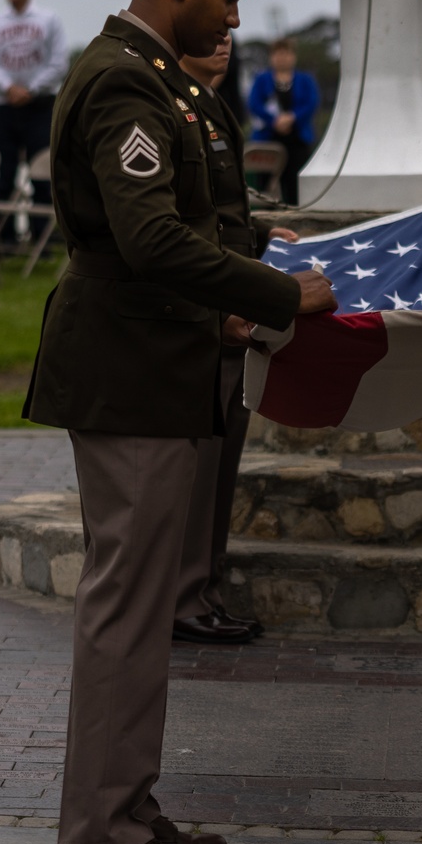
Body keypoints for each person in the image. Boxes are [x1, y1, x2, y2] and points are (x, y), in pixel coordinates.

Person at [24, 0, 337, 844]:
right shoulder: (124, 83)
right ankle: (100, 830)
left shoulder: (160, 81)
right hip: (128, 370)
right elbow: (152, 239)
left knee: (146, 599)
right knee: (126, 603)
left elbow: (199, 222)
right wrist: (276, 292)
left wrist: (268, 256)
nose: (235, 16)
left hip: (158, 362)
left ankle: (126, 802)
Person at [172, 33, 300, 647]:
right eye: (214, 27)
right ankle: (184, 595)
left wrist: (263, 227)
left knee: (220, 471)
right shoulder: (172, 104)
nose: (224, 38)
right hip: (203, 317)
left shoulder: (214, 105)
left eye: (230, 35)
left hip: (231, 313)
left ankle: (204, 589)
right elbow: (174, 227)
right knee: (197, 472)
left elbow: (221, 214)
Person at [0, 0, 68, 239]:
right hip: (2, 106)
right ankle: (4, 238)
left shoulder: (48, 19)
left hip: (39, 104)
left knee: (41, 171)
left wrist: (31, 88)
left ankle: (42, 237)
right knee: (3, 172)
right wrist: (8, 88)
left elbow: (58, 62)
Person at [248, 37, 320, 204]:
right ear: (271, 56)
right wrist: (275, 120)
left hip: (297, 139)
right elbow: (254, 103)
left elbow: (311, 102)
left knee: (294, 183)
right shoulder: (261, 79)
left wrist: (292, 117)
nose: (282, 58)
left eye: (286, 53)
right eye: (278, 54)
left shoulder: (305, 80)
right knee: (263, 185)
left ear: (293, 56)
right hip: (268, 140)